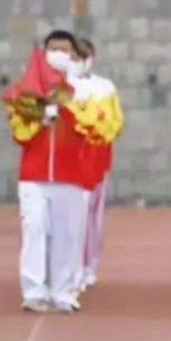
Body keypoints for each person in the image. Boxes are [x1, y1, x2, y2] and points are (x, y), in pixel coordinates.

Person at [4, 30, 98, 313]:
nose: (59, 54)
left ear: (73, 55)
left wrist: (65, 108)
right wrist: (38, 116)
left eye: (64, 49)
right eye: (53, 48)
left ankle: (63, 291)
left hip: (71, 175)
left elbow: (96, 129)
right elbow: (18, 133)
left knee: (67, 235)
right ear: (44, 53)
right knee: (34, 229)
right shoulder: (27, 89)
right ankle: (33, 290)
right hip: (34, 174)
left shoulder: (85, 92)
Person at [71, 38, 123, 292]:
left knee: (93, 218)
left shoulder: (105, 88)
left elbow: (115, 121)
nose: (79, 61)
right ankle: (71, 268)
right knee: (73, 218)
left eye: (83, 56)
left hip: (96, 159)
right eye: (74, 56)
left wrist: (95, 132)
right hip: (68, 162)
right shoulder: (60, 88)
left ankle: (89, 265)